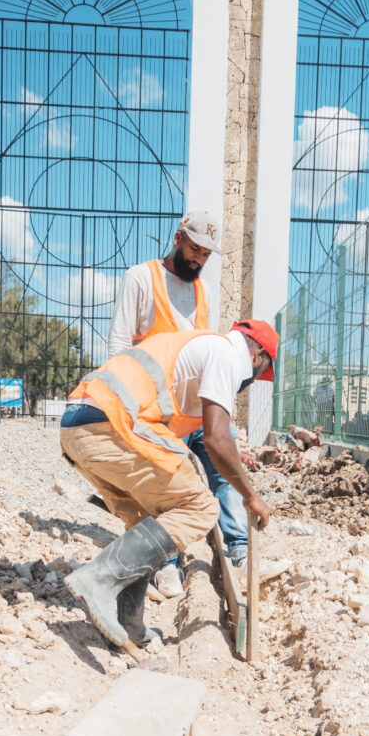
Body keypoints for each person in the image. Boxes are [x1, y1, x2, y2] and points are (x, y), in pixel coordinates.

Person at [59, 319, 278, 654]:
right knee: (201, 506)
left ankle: (128, 627)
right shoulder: (227, 354)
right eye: (260, 373)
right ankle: (98, 580)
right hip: (111, 423)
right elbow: (216, 438)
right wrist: (251, 497)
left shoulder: (202, 351)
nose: (251, 382)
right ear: (258, 354)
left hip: (80, 425)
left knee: (146, 521)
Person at [107, 210, 252, 597]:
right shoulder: (141, 278)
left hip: (194, 406)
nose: (199, 259)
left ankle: (238, 547)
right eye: (194, 249)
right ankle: (167, 563)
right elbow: (119, 344)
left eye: (206, 254)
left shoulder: (202, 290)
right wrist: (124, 408)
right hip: (155, 409)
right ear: (177, 237)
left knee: (223, 468)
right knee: (166, 484)